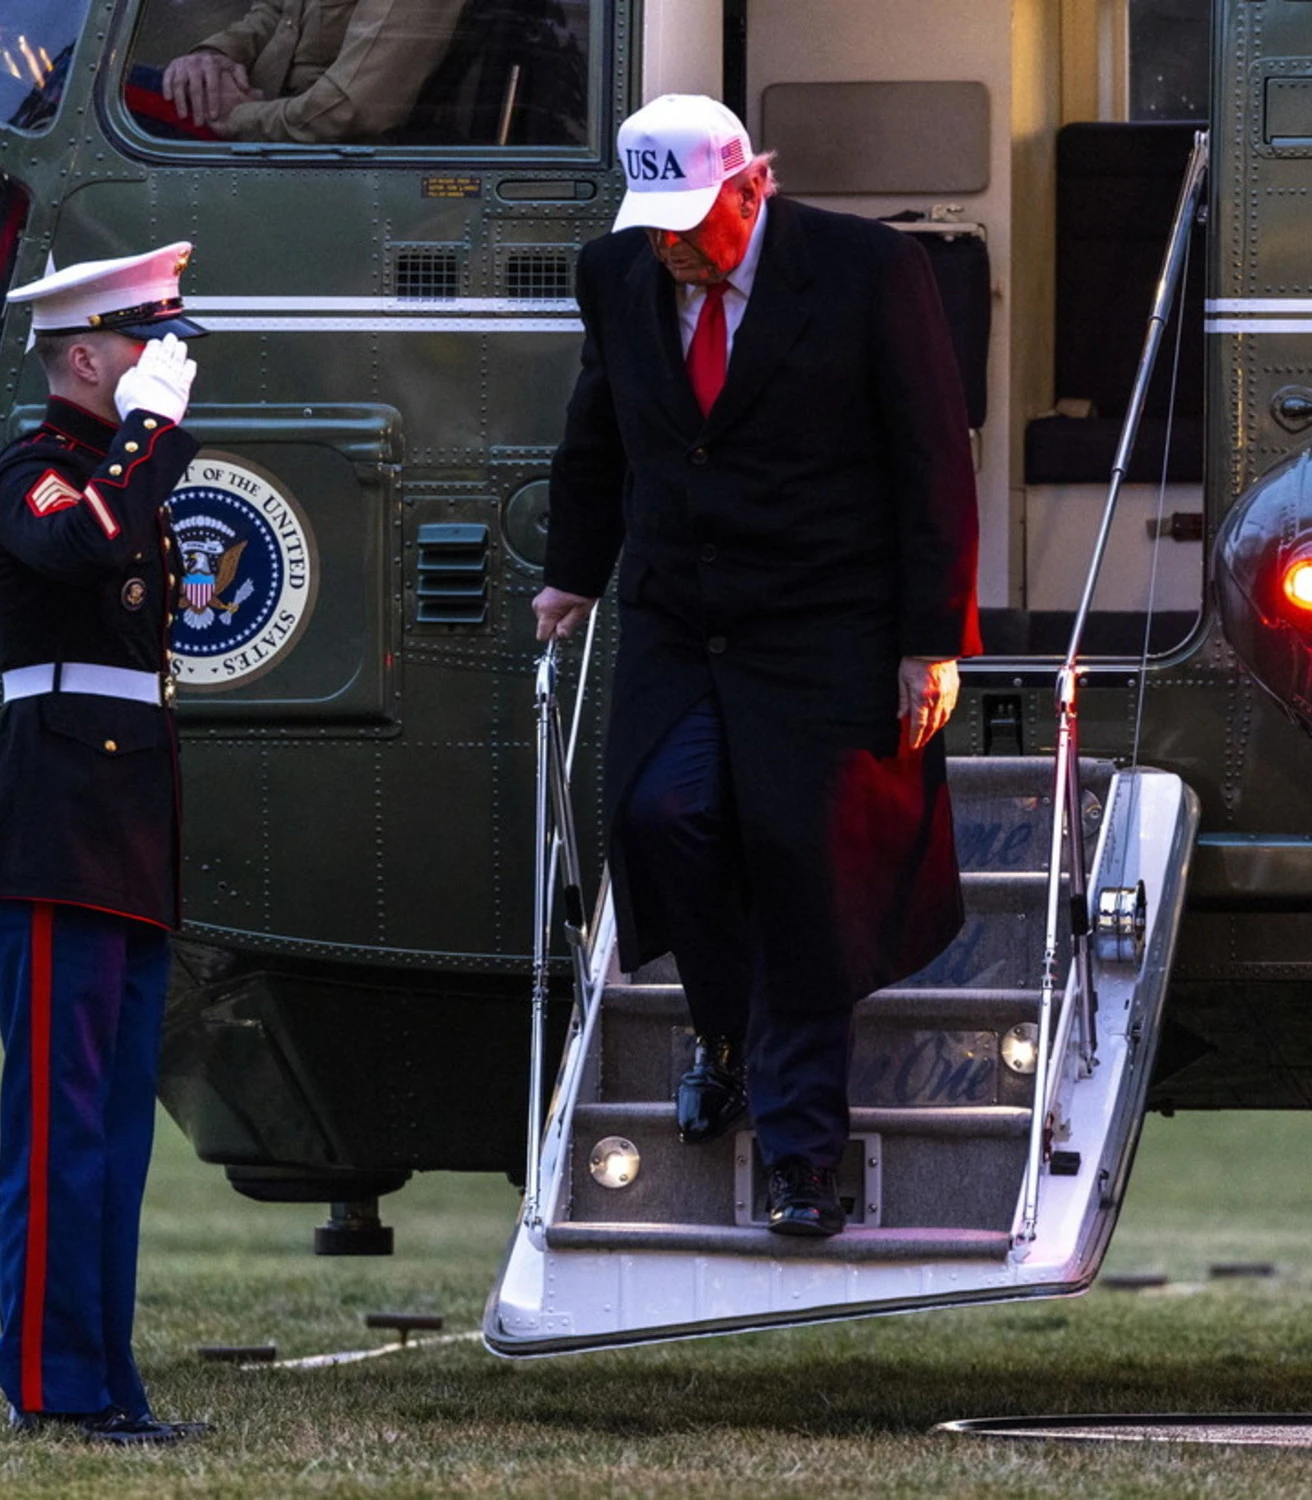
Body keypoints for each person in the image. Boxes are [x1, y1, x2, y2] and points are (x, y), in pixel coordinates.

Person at [532, 95, 981, 1238]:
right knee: (661, 816)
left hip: (827, 624)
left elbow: (932, 459)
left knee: (803, 873)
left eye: (689, 223)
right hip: (683, 620)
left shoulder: (868, 272)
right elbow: (598, 431)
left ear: (752, 185)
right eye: (655, 225)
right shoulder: (617, 274)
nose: (671, 247)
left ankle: (797, 1159)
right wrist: (571, 574)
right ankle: (723, 1032)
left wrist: (930, 642)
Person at [0, 243, 212, 1444]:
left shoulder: (117, 469)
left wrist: (145, 447)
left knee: (108, 1129)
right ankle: (52, 1384)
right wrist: (147, 441)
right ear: (85, 355)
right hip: (53, 825)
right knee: (58, 1125)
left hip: (120, 832)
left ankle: (105, 1380)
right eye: (148, 344)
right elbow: (78, 547)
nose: (170, 363)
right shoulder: (37, 471)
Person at [155, 0, 468, 143]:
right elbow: (273, 13)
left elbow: (350, 108)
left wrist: (240, 116)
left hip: (328, 157)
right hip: (266, 133)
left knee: (125, 109)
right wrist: (215, 55)